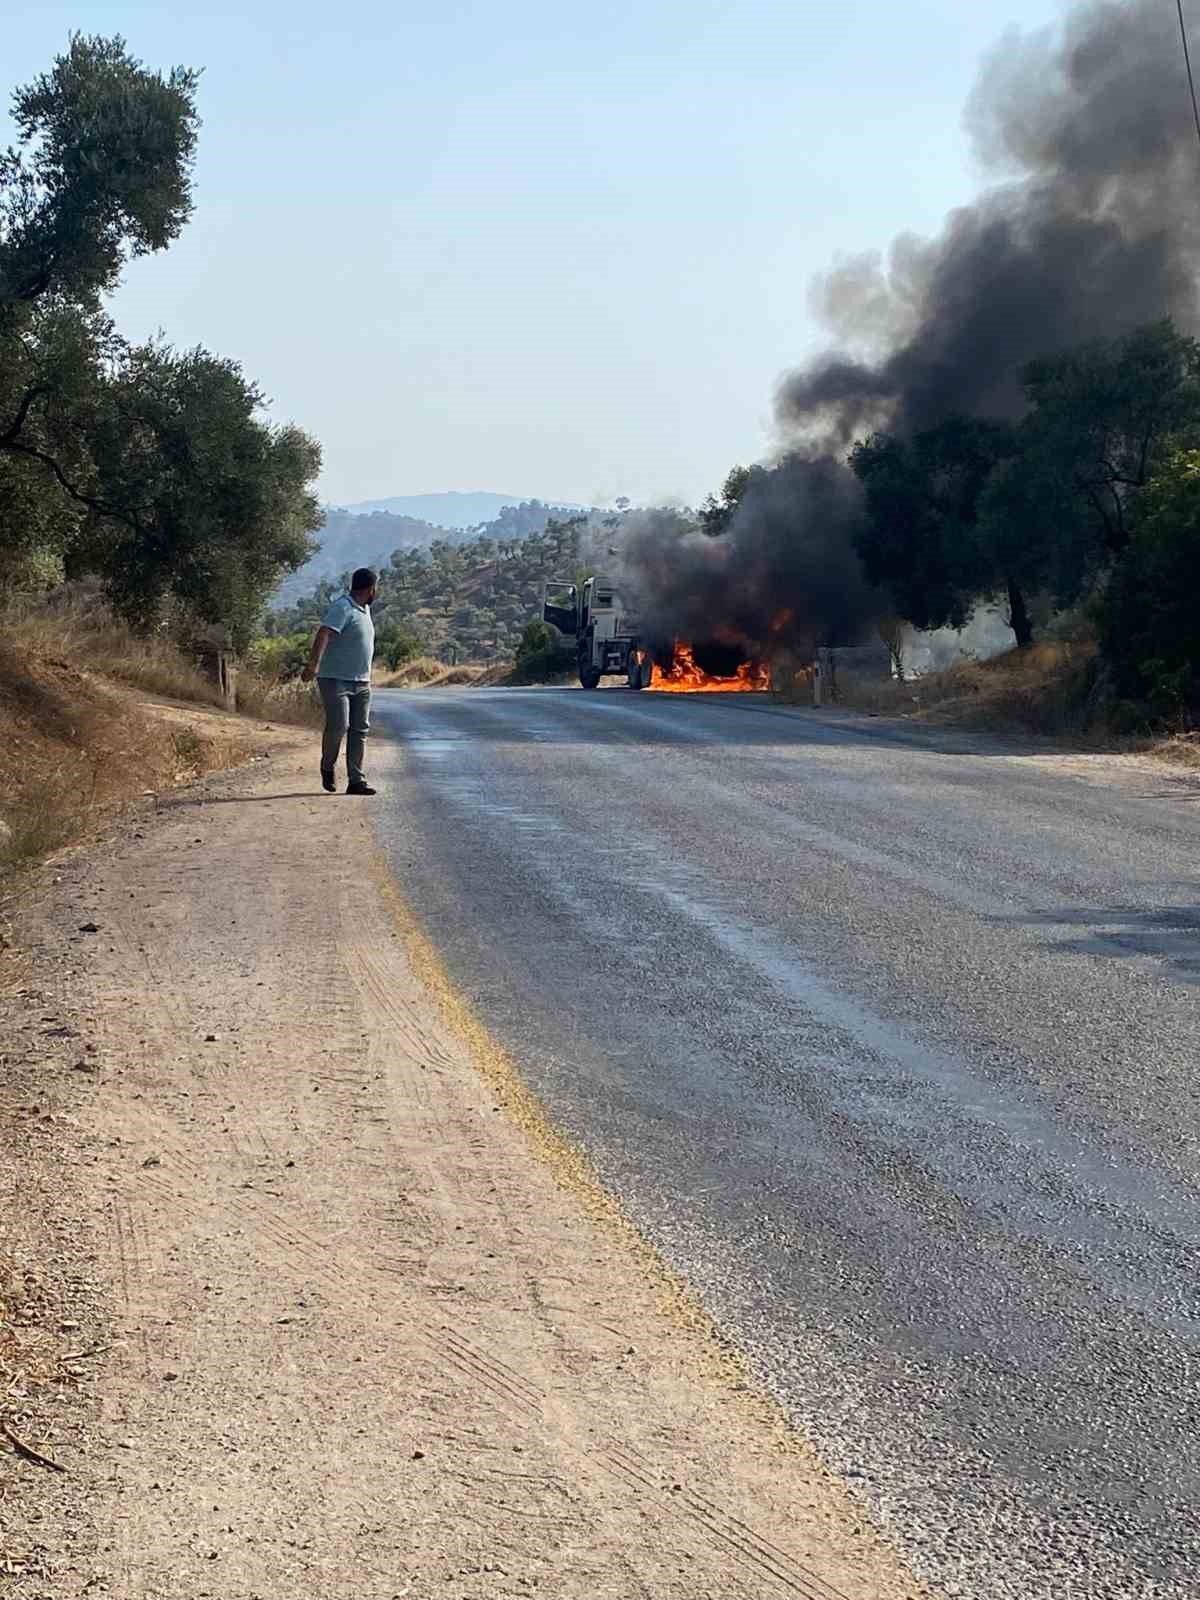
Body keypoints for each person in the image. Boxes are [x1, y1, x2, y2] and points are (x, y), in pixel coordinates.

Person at [301, 567, 378, 795]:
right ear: (370, 588)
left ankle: (356, 781)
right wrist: (313, 665)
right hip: (335, 679)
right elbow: (324, 633)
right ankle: (327, 766)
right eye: (376, 588)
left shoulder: (364, 610)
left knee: (360, 730)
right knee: (338, 726)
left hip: (362, 682)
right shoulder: (343, 607)